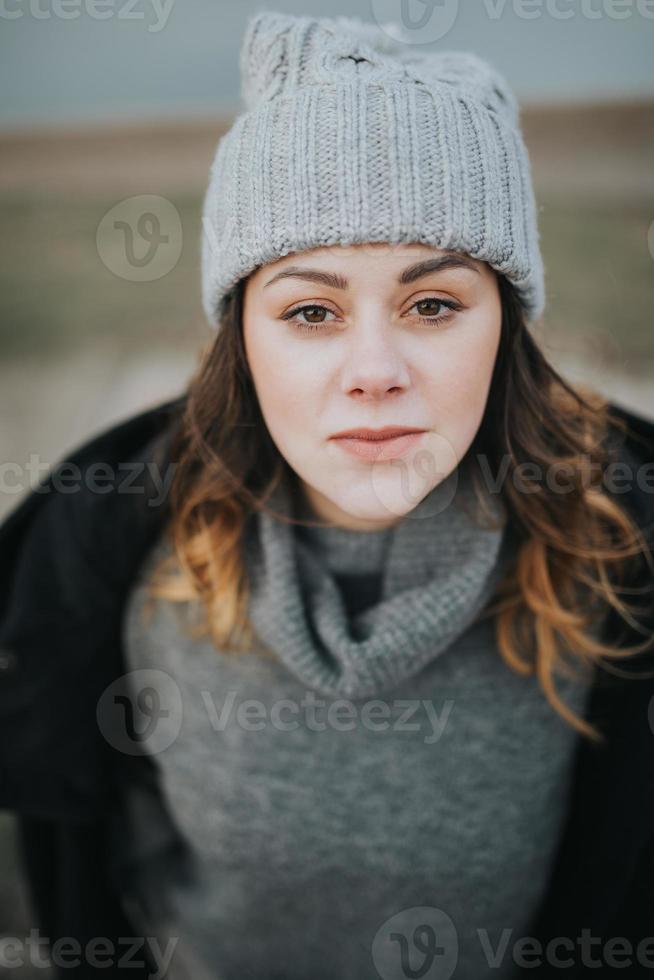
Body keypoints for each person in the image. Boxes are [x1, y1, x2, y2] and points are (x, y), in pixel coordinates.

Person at [1, 9, 653, 980]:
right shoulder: (114, 558)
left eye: (433, 304)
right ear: (243, 340)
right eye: (312, 310)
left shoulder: (615, 559)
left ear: (505, 328)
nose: (375, 369)